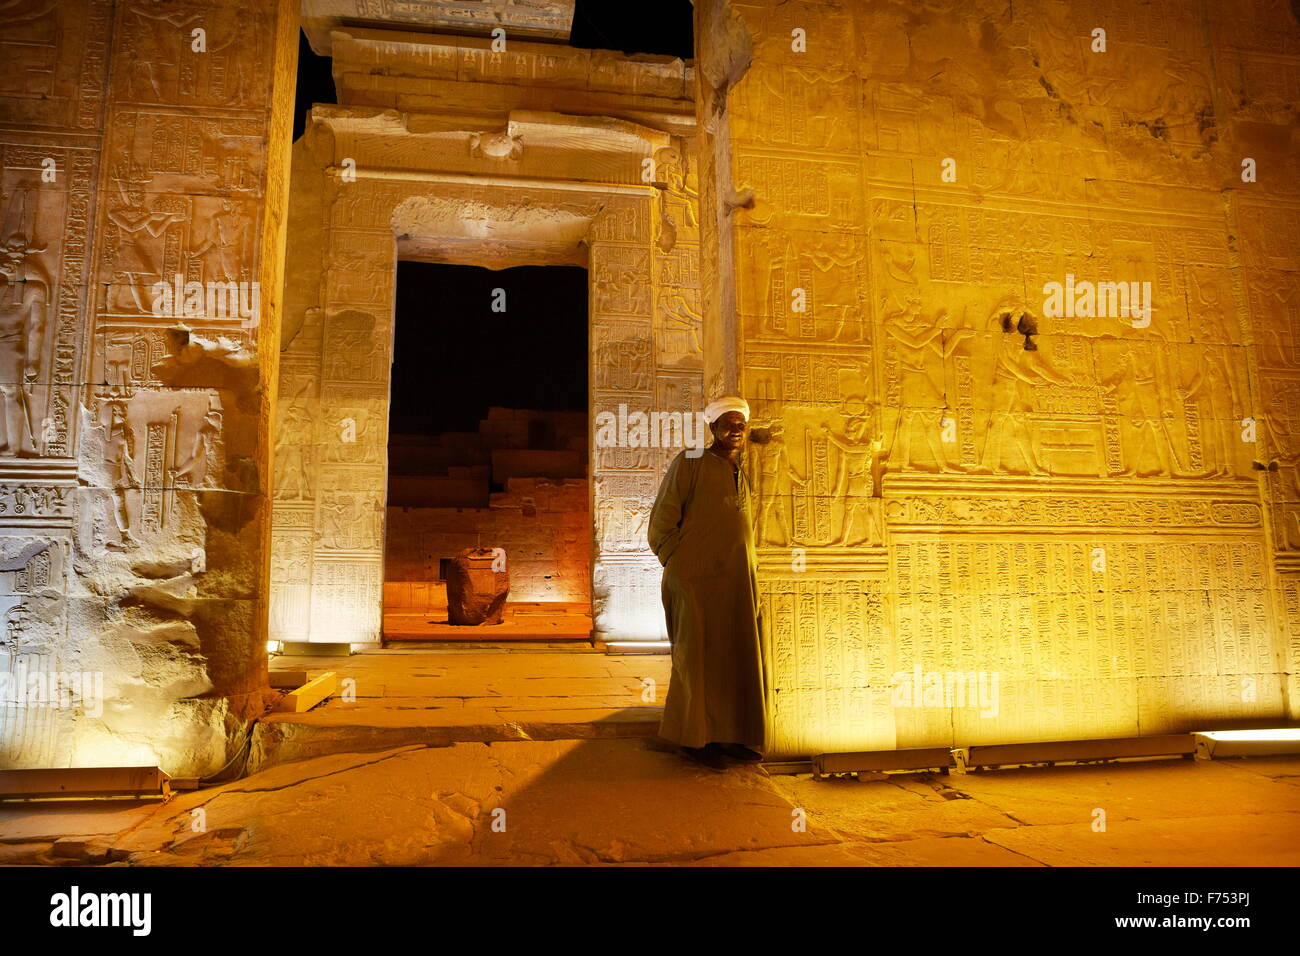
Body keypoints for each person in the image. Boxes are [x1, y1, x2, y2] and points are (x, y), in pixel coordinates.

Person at [647, 395, 766, 771]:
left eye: (741, 423)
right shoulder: (692, 461)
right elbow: (663, 520)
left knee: (734, 657)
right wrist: (678, 562)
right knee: (695, 659)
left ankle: (731, 736)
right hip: (694, 580)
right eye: (728, 422)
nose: (737, 428)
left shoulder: (740, 472)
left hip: (735, 582)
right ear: (712, 427)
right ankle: (694, 739)